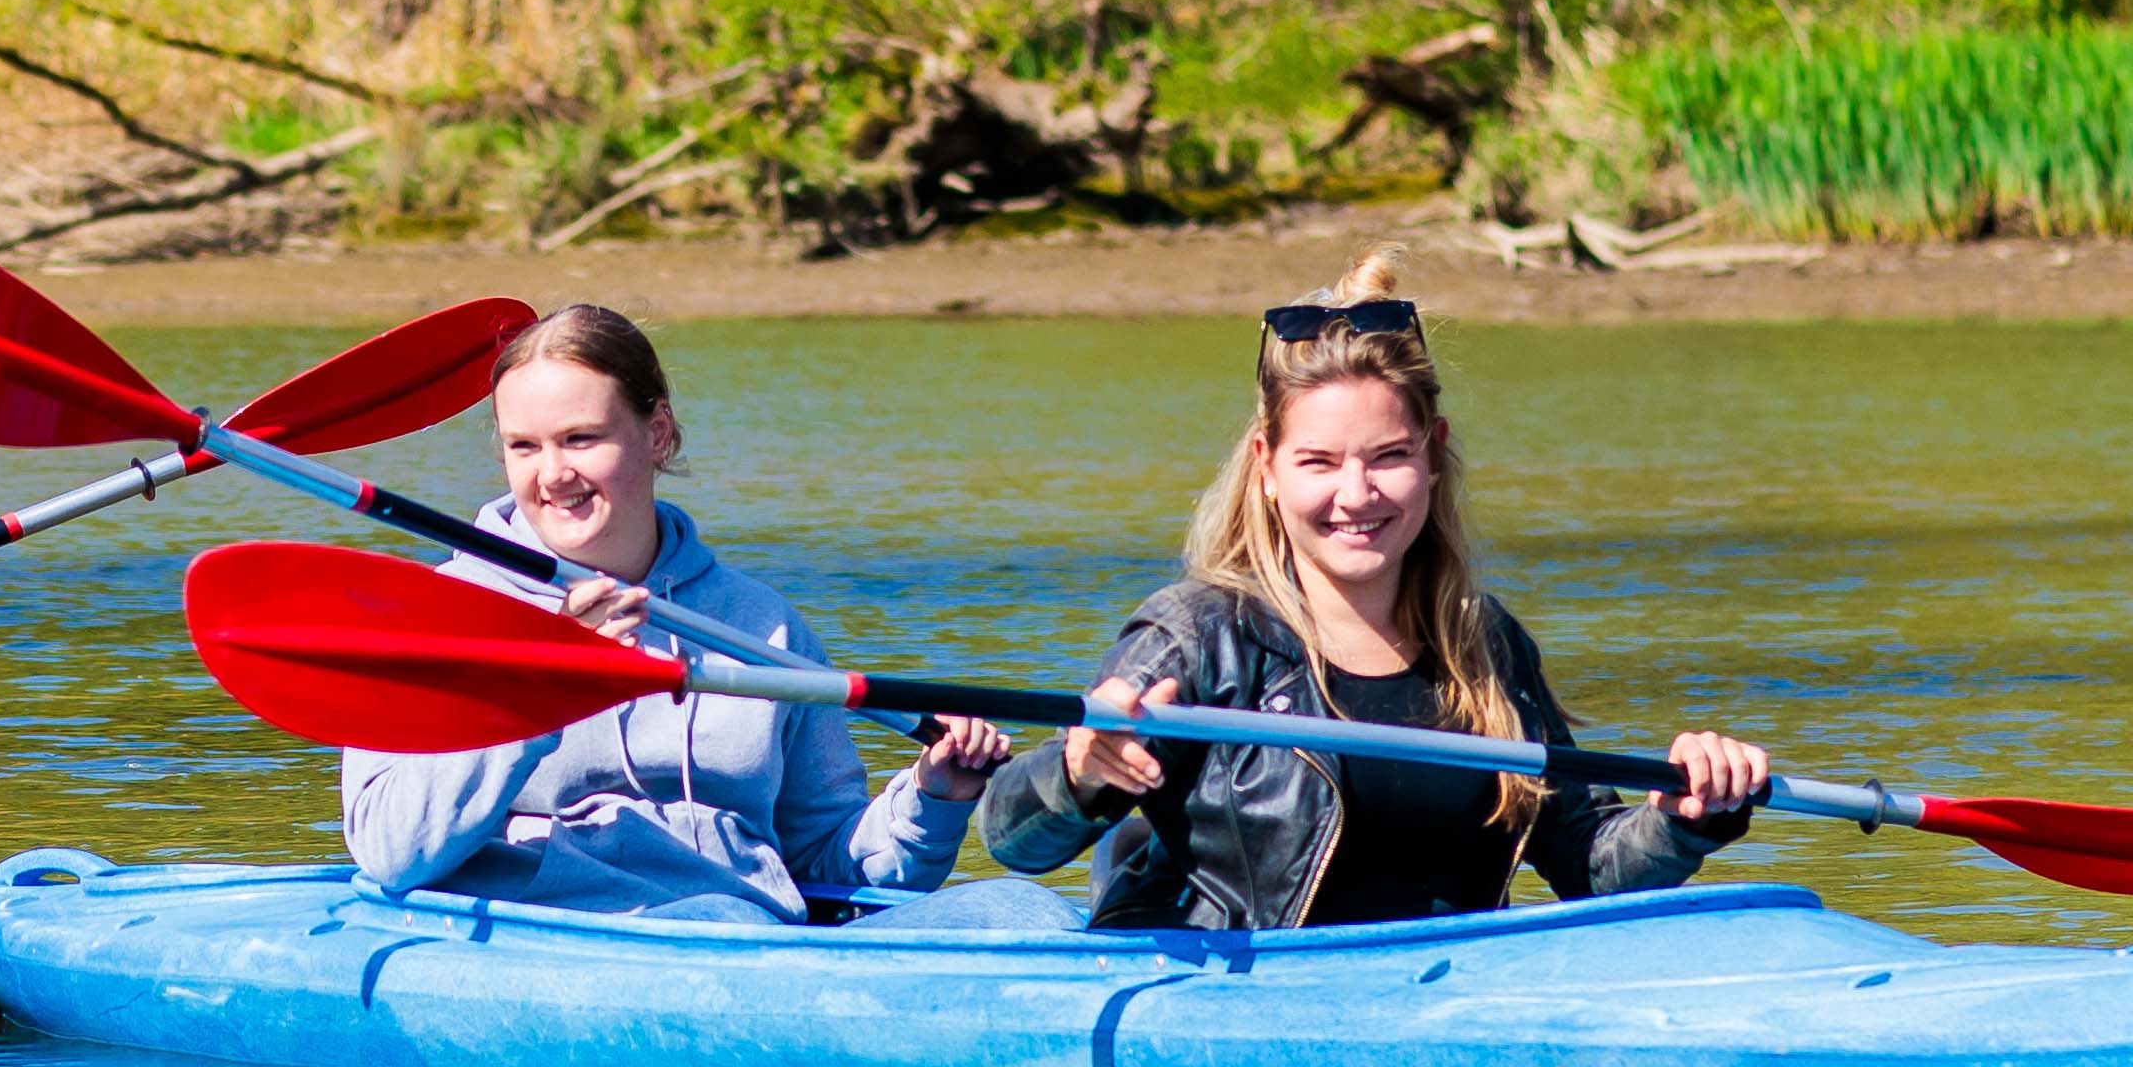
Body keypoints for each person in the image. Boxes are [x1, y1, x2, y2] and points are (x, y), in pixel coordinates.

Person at [968, 258, 1767, 929]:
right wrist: (1079, 771)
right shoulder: (1198, 636)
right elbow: (1013, 839)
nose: (1357, 494)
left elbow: (1589, 865)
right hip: (1232, 1006)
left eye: (1387, 456)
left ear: (1433, 455)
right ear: (1268, 468)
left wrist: (1685, 816)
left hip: (1438, 1003)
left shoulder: (1483, 643)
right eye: (1318, 462)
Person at [340, 306, 1015, 921]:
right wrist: (546, 685)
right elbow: (390, 850)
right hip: (560, 934)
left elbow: (826, 870)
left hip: (753, 932)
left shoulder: (761, 625)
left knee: (1015, 911)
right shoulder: (434, 617)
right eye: (524, 446)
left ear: (656, 433)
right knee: (727, 920)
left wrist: (931, 798)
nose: (551, 475)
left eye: (580, 439)